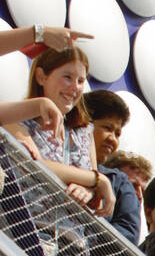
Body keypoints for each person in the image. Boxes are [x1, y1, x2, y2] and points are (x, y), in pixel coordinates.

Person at [8, 44, 114, 217]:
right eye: (67, 77)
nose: (75, 87)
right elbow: (34, 164)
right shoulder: (16, 122)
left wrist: (88, 190)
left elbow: (98, 199)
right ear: (41, 77)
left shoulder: (85, 131)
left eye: (80, 81)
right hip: (29, 232)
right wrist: (97, 180)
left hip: (75, 240)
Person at [80, 90, 141, 244]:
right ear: (84, 123)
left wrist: (84, 234)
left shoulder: (119, 183)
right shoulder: (60, 158)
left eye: (118, 134)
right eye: (107, 128)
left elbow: (128, 234)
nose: (112, 139)